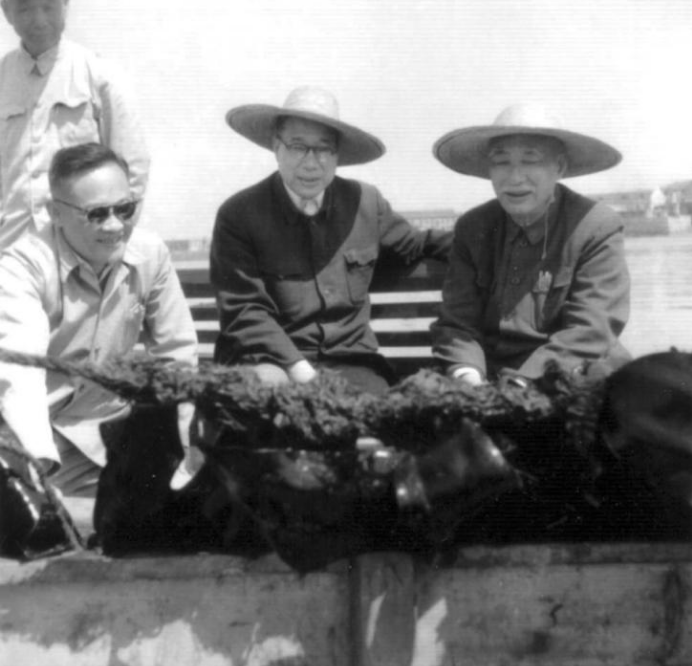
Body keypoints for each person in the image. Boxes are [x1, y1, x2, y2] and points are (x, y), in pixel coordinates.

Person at [211, 86, 452, 394]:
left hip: (352, 364)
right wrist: (305, 375)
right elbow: (245, 313)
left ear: (337, 155)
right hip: (271, 361)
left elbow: (417, 244)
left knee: (384, 411)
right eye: (298, 146)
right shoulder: (239, 215)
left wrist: (484, 243)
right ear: (276, 146)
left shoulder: (365, 203)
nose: (311, 163)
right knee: (265, 389)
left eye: (324, 149)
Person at [0, 143, 197, 520]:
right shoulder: (21, 268)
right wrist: (36, 470)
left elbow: (176, 359)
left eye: (125, 209)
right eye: (96, 214)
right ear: (55, 213)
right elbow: (21, 376)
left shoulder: (151, 254)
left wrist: (189, 445)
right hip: (38, 440)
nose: (115, 226)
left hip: (113, 437)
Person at [430, 103, 631, 386]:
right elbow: (457, 323)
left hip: (568, 373)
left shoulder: (596, 226)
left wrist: (523, 384)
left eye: (530, 160)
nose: (515, 178)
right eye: (501, 162)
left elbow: (592, 328)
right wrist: (469, 377)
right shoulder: (473, 227)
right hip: (488, 375)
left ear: (559, 167)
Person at [0, 0, 150, 249]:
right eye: (25, 9)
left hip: (83, 246)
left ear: (65, 5)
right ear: (6, 12)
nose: (39, 20)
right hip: (11, 245)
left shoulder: (101, 75)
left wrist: (113, 240)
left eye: (48, 7)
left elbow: (132, 165)